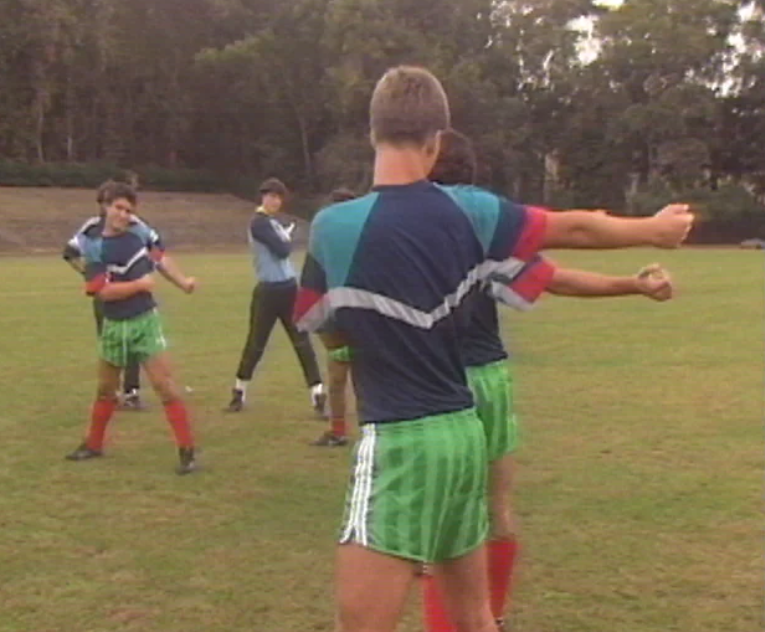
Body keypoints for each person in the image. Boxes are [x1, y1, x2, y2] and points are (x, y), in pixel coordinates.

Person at [293, 66, 692, 632]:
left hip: (399, 439)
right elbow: (571, 229)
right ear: (435, 143)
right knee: (475, 620)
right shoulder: (472, 212)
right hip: (464, 432)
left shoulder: (333, 226)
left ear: (372, 135)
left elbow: (323, 327)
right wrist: (652, 230)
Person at [421, 128, 674, 632]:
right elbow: (555, 276)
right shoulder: (485, 226)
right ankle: (494, 616)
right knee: (496, 508)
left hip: (432, 386)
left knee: (441, 527)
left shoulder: (403, 220)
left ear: (423, 159)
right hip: (489, 379)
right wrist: (633, 285)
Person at [64, 182, 201, 475]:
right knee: (105, 389)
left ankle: (187, 450)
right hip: (113, 323)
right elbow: (101, 292)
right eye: (119, 208)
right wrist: (138, 284)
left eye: (128, 210)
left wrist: (183, 282)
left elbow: (160, 257)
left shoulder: (139, 232)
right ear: (105, 206)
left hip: (143, 321)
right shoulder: (91, 240)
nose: (124, 215)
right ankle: (94, 444)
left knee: (165, 387)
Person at [225, 178, 325, 415]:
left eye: (278, 197)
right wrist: (286, 239)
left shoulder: (272, 223)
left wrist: (284, 238)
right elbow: (282, 250)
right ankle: (239, 390)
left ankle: (318, 392)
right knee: (256, 343)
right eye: (270, 196)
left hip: (289, 288)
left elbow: (282, 247)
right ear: (263, 197)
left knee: (301, 341)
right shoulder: (259, 223)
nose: (274, 201)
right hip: (269, 290)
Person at [312, 187, 358, 448]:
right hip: (356, 313)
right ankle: (345, 430)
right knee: (352, 378)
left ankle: (339, 430)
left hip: (339, 312)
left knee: (338, 378)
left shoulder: (328, 234)